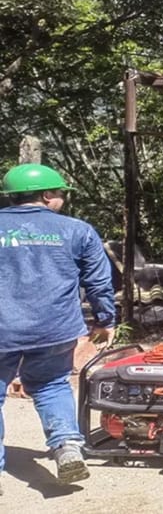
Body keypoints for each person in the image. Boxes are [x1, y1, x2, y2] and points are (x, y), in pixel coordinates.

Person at [0, 164, 117, 490]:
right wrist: (105, 320)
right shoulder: (77, 231)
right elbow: (99, 282)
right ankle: (67, 448)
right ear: (48, 195)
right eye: (61, 193)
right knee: (51, 385)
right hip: (54, 329)